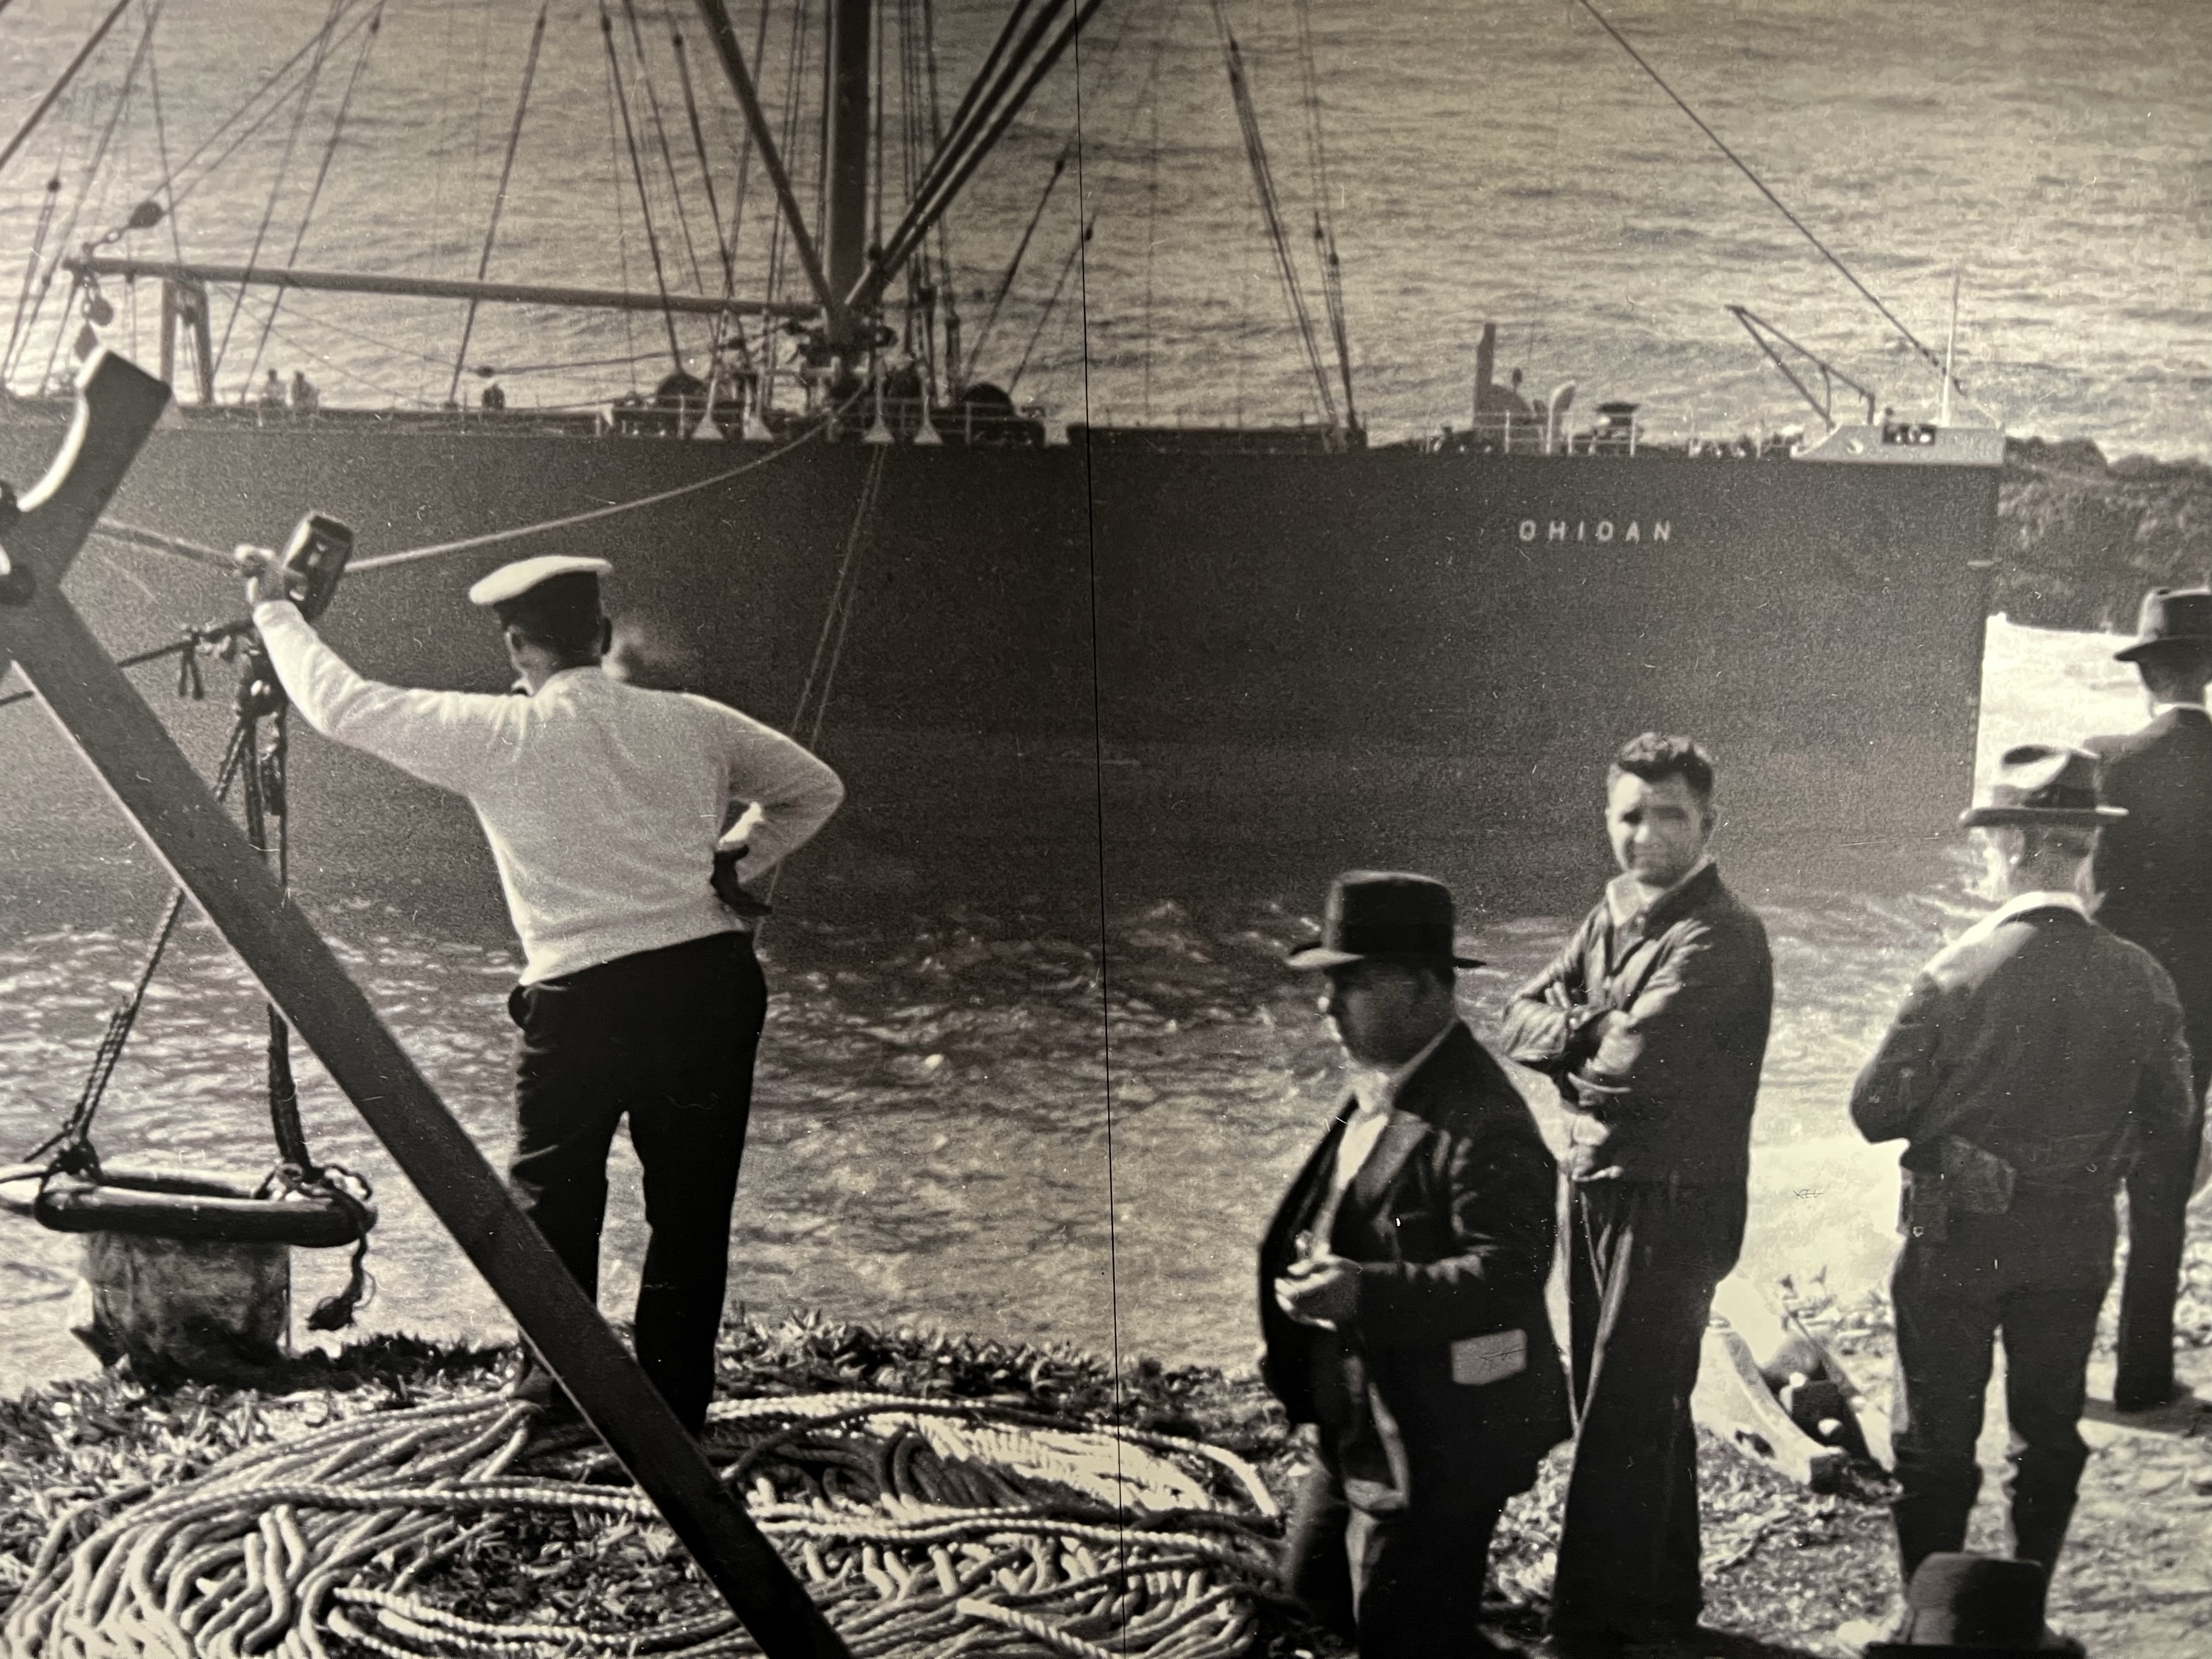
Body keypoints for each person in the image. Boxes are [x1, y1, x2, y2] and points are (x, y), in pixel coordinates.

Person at [240, 551, 844, 1433]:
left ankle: (556, 1392)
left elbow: (343, 706)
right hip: (706, 983)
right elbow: (814, 790)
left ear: (517, 647)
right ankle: (675, 1411)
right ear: (602, 635)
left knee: (554, 1201)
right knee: (691, 1206)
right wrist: (730, 862)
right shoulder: (696, 721)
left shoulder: (501, 732)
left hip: (581, 998)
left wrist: (273, 610)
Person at [1850, 744, 2194, 1634]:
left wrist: (1953, 1124)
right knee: (2047, 1433)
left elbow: (1873, 1110)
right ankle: (2025, 1618)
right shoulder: (2142, 976)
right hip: (2075, 1240)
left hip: (1957, 1242)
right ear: (2087, 849)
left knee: (1935, 1439)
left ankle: (1927, 1624)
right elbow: (2173, 1123)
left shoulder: (1956, 972)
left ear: (2009, 848)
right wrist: (2096, 1160)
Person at [1501, 732, 1773, 1651]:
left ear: (1708, 823)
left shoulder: (1721, 934)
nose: (1646, 835)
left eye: (1669, 816)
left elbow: (1635, 1068)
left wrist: (1577, 1040)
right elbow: (1514, 1018)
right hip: (1599, 1186)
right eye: (1629, 816)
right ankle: (1662, 1599)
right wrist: (1594, 1027)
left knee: (1625, 1408)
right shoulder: (1610, 914)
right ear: (1607, 821)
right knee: (1632, 1400)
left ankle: (1588, 1632)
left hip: (1674, 1203)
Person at [1260, 871, 1568, 1658]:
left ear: (1428, 988)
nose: (1327, 1005)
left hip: (1447, 1433)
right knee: (1307, 1601)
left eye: (1352, 983)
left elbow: (1509, 1274)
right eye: (1328, 984)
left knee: (1398, 1634)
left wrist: (1364, 1294)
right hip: (1364, 1415)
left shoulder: (1485, 1120)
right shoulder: (1388, 1085)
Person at [2084, 586, 2212, 1419]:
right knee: (2162, 1205)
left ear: (2145, 675)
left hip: (2113, 1015)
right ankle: (2142, 1378)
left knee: (2079, 1193)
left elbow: (2094, 904)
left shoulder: (2110, 761)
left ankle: (2054, 1367)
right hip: (2199, 1022)